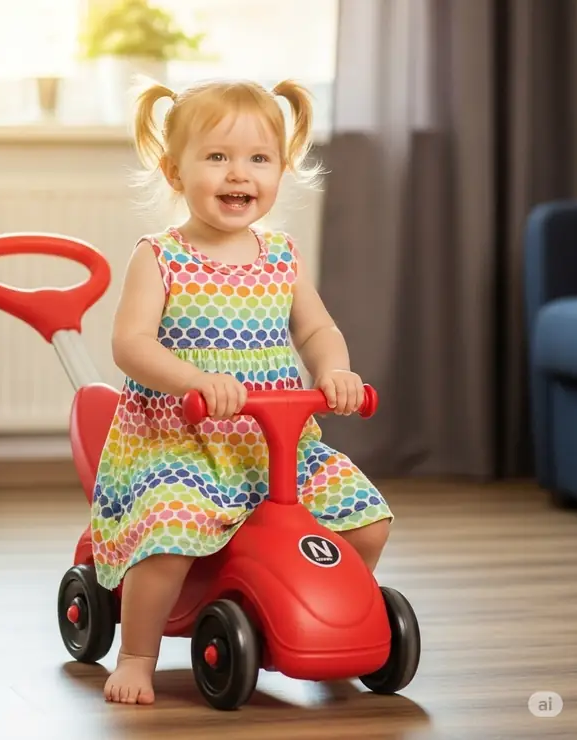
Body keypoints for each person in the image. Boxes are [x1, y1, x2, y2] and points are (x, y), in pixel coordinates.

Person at [91, 77, 393, 705]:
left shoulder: (281, 256)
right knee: (169, 537)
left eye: (259, 158)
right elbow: (132, 345)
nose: (239, 174)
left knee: (367, 522)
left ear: (281, 170)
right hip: (182, 444)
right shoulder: (161, 257)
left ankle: (318, 612)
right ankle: (139, 653)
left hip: (276, 448)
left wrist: (334, 370)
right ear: (175, 172)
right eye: (217, 157)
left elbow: (316, 328)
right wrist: (196, 380)